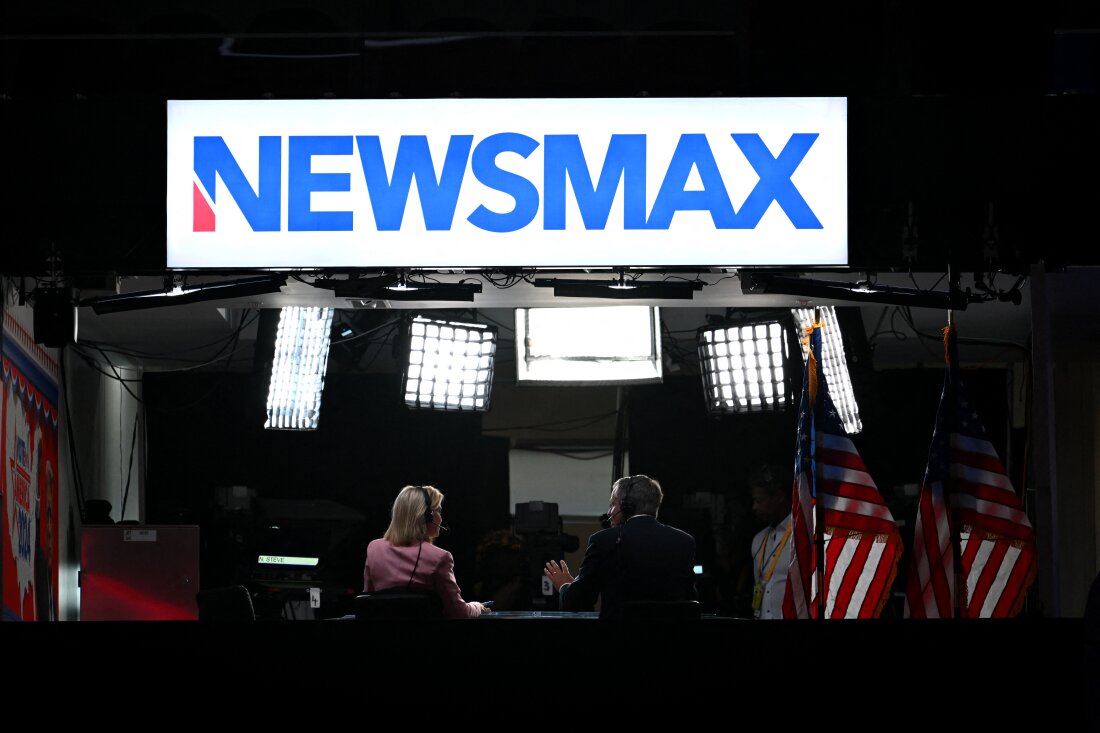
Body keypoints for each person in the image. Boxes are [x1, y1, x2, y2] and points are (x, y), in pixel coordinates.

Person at [543, 474, 696, 620]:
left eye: (613, 504)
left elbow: (577, 603)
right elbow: (691, 596)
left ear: (626, 506)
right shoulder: (684, 541)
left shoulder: (603, 541)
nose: (609, 511)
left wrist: (564, 586)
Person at [363, 485, 489, 619]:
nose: (441, 518)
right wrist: (477, 607)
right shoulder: (440, 557)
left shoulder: (374, 548)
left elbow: (367, 600)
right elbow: (458, 612)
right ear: (427, 516)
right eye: (438, 511)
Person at [748, 463, 792, 620]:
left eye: (760, 501)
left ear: (779, 497)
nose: (754, 507)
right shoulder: (758, 540)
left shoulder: (801, 535)